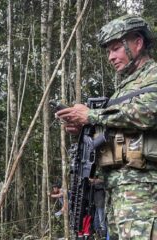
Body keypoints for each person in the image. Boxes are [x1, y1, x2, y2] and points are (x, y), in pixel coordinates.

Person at [56, 15, 157, 239]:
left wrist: (91, 115)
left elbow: (147, 113)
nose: (111, 57)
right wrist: (82, 129)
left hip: (144, 191)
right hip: (117, 190)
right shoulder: (124, 88)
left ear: (138, 43)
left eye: (116, 48)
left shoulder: (152, 76)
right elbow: (117, 129)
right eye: (108, 52)